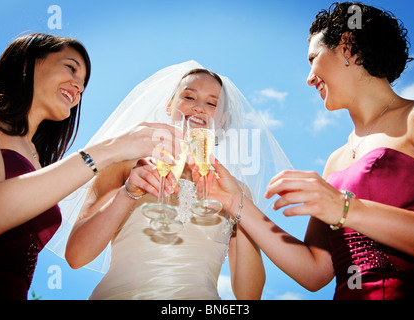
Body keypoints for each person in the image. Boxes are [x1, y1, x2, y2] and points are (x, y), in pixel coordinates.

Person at [202, 2, 414, 300]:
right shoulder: (335, 161)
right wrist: (235, 202)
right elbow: (315, 273)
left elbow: (343, 209)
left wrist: (344, 207)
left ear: (347, 47)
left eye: (313, 59)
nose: (309, 77)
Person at [63, 61, 292, 299]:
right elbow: (77, 257)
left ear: (223, 120)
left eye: (212, 103)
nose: (199, 108)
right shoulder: (125, 166)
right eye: (189, 97)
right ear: (169, 106)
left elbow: (249, 294)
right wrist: (128, 193)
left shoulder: (234, 190)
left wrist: (239, 206)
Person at [0, 33, 180, 300]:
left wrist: (129, 190)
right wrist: (112, 149)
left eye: (83, 83)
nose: (78, 86)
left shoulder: (38, 161)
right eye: (70, 67)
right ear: (27, 64)